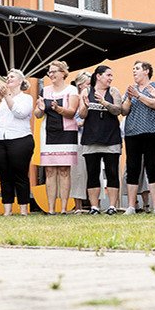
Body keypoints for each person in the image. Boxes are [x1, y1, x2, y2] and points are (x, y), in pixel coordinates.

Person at [0, 69, 34, 216]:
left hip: (20, 139)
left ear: (20, 81)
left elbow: (20, 113)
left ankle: (23, 209)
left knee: (20, 175)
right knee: (4, 175)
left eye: (12, 77)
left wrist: (7, 96)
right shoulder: (2, 98)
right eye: (7, 77)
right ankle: (7, 209)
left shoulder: (26, 98)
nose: (8, 79)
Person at [77, 65, 124, 215]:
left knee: (112, 172)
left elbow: (118, 110)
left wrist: (104, 102)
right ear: (98, 76)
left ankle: (111, 206)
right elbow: (82, 115)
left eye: (111, 75)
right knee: (92, 172)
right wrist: (85, 105)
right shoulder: (86, 91)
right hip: (91, 137)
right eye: (108, 75)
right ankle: (94, 206)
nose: (111, 78)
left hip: (111, 137)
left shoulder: (114, 91)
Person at [34, 61, 79, 215]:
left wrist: (58, 108)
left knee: (64, 170)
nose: (51, 74)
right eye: (49, 72)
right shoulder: (44, 90)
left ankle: (64, 208)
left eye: (54, 71)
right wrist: (40, 109)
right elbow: (38, 114)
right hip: (48, 133)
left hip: (66, 133)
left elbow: (72, 112)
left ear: (63, 73)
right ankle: (51, 208)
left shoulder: (72, 90)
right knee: (50, 171)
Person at [121, 61, 155, 215]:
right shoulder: (130, 90)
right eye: (133, 69)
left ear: (146, 71)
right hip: (132, 133)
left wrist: (138, 96)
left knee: (153, 168)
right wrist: (128, 99)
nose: (134, 71)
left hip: (152, 132)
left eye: (137, 68)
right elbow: (124, 111)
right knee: (132, 168)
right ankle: (131, 206)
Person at [69, 72, 91, 212]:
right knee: (78, 172)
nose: (90, 87)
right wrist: (80, 123)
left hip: (92, 138)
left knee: (94, 172)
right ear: (80, 85)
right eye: (88, 84)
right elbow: (70, 118)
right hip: (77, 138)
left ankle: (95, 204)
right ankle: (78, 206)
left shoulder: (94, 97)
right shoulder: (73, 99)